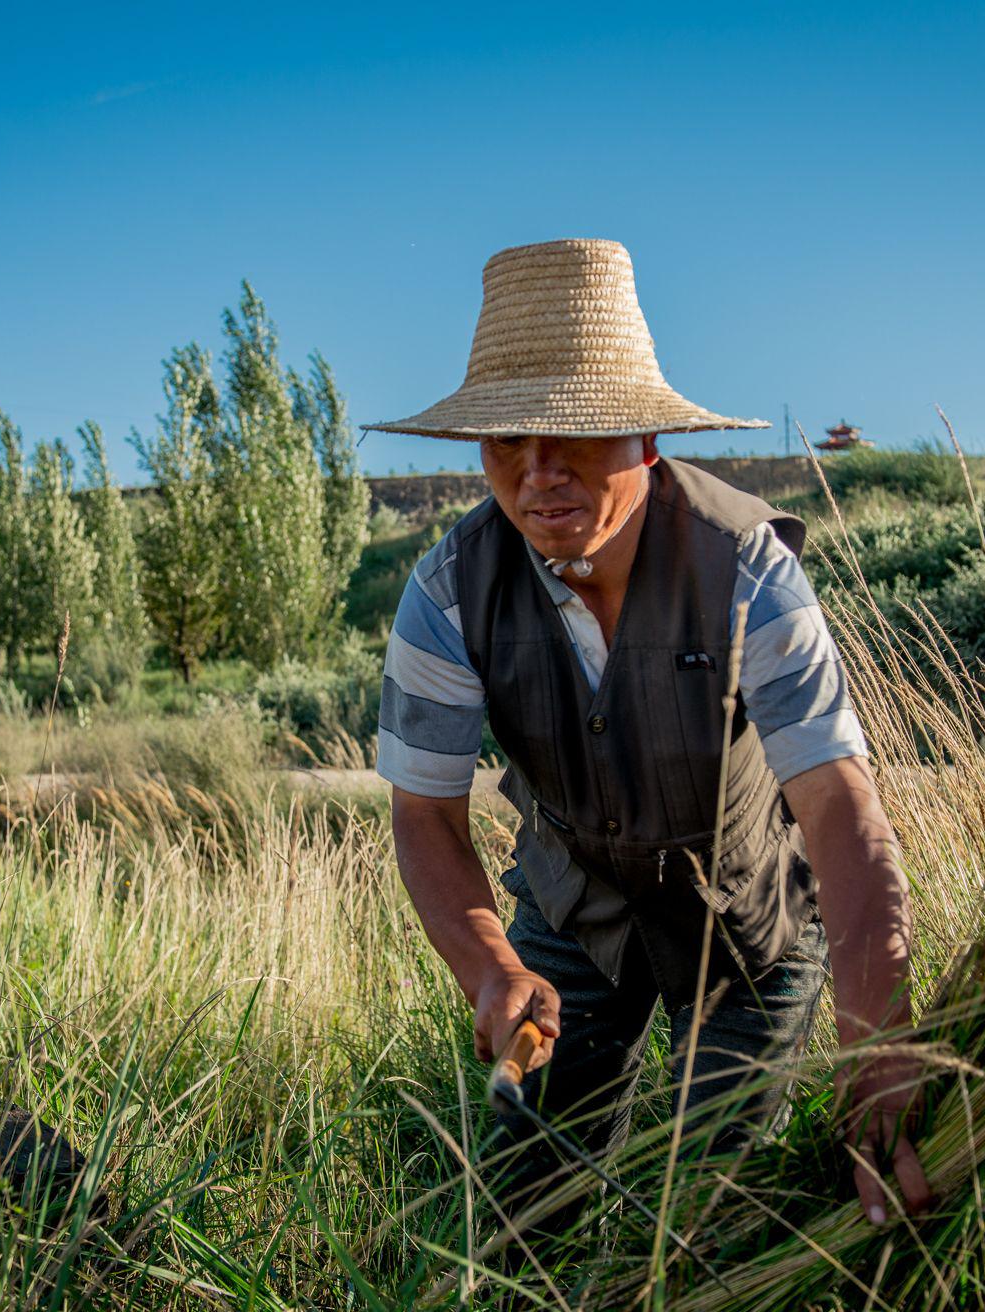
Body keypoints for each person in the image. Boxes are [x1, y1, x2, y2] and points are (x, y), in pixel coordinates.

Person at [364, 238, 933, 1231]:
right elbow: (426, 820)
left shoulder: (747, 570)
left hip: (751, 931)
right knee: (523, 1213)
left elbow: (840, 809)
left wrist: (878, 1041)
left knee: (713, 1208)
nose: (538, 473)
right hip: (572, 919)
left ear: (647, 440)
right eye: (505, 439)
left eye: (573, 435)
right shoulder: (448, 592)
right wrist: (494, 973)